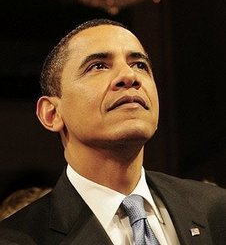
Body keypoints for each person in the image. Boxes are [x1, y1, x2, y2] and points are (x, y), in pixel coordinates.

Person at [0, 18, 226, 244]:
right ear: (52, 114)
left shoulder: (217, 210)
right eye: (98, 66)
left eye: (139, 65)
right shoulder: (15, 239)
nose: (130, 76)